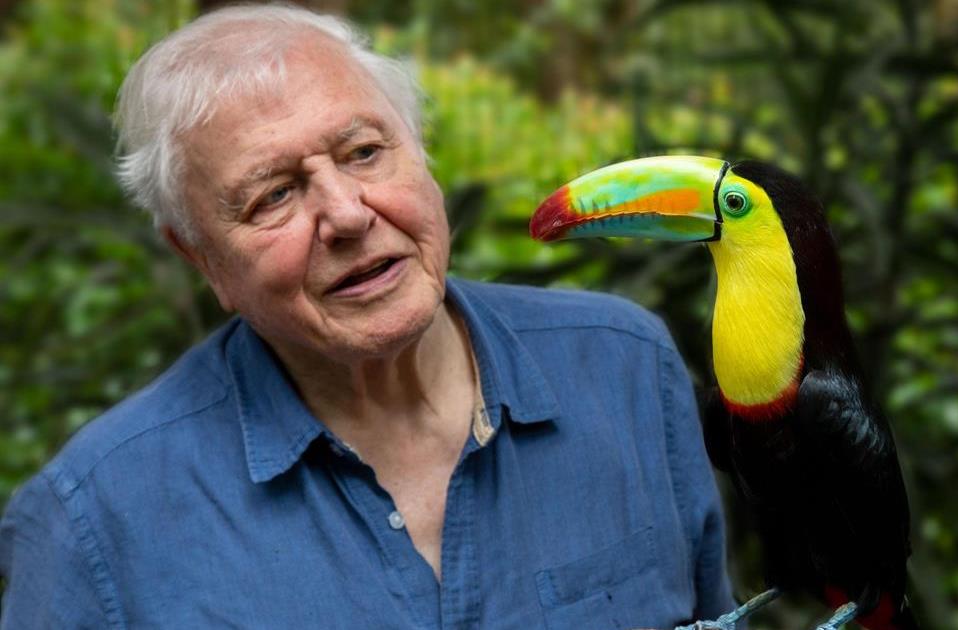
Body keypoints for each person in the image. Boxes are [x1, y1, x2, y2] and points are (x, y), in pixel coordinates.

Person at [0, 4, 734, 628]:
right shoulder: (92, 521)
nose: (347, 215)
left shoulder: (622, 367)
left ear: (422, 156)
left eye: (363, 152)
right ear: (201, 260)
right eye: (273, 196)